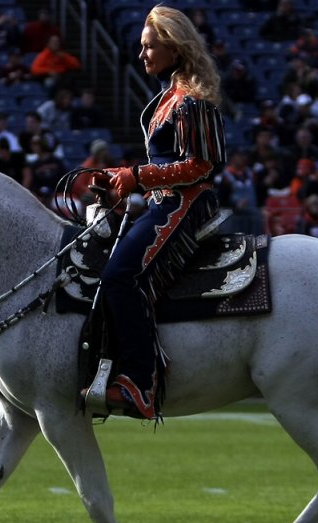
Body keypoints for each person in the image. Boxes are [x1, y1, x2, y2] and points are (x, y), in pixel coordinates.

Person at [78, 6, 226, 420]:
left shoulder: (191, 100)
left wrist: (137, 176)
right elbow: (160, 168)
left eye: (149, 47)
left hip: (189, 204)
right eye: (141, 47)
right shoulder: (164, 100)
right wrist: (118, 181)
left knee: (121, 276)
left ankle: (141, 382)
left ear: (174, 48)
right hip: (163, 202)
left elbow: (202, 165)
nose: (142, 55)